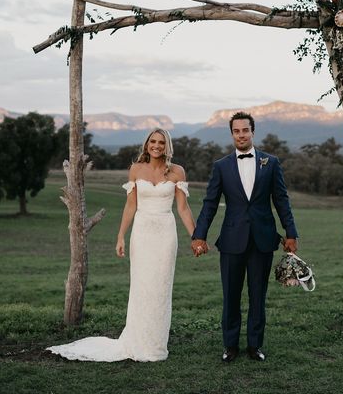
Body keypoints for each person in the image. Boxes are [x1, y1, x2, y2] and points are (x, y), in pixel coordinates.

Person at [47, 128, 195, 361]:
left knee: (161, 288)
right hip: (142, 233)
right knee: (141, 287)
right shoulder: (135, 169)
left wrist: (195, 237)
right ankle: (138, 341)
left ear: (167, 146)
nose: (156, 145)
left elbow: (183, 209)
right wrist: (120, 236)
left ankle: (156, 345)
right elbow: (130, 206)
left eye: (161, 142)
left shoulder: (177, 171)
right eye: (152, 141)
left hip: (166, 235)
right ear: (147, 145)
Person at [192, 111, 298, 363]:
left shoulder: (271, 163)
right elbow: (209, 204)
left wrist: (291, 233)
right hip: (231, 241)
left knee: (258, 296)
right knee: (231, 295)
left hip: (263, 240)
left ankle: (254, 346)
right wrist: (199, 235)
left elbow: (282, 200)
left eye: (245, 130)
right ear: (232, 134)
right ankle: (230, 346)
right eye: (236, 131)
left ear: (252, 132)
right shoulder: (221, 166)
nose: (241, 134)